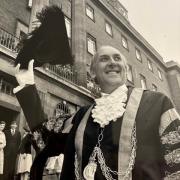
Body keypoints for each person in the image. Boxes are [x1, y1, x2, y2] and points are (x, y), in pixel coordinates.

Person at [14, 45, 180, 180]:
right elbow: (44, 137)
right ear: (92, 73)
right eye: (104, 59)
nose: (113, 63)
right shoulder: (81, 116)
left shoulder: (157, 103)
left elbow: (177, 166)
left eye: (117, 58)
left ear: (124, 70)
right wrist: (27, 87)